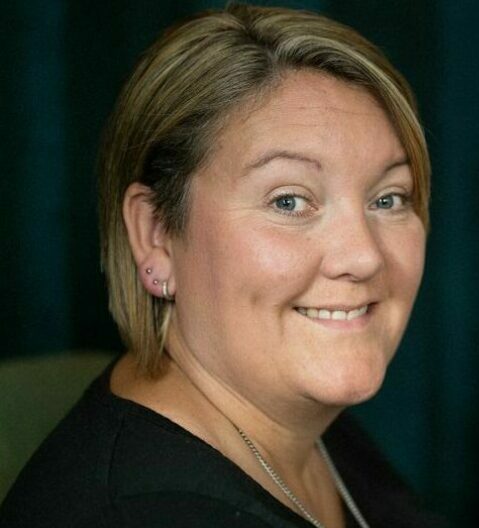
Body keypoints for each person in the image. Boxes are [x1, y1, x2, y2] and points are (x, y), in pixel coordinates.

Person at [0, 4, 446, 527]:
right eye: (289, 201)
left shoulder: (294, 419)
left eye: (389, 199)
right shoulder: (150, 513)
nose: (364, 255)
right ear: (156, 235)